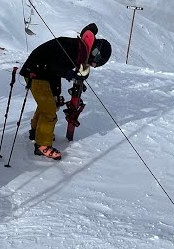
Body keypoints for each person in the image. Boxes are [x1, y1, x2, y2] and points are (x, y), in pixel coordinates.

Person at [19, 24, 112, 160]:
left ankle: (35, 132)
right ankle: (42, 145)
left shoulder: (79, 49)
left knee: (49, 105)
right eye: (95, 62)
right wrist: (72, 75)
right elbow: (55, 66)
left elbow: (57, 67)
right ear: (95, 53)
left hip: (43, 72)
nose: (92, 64)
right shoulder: (73, 49)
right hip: (36, 73)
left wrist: (75, 77)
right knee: (49, 111)